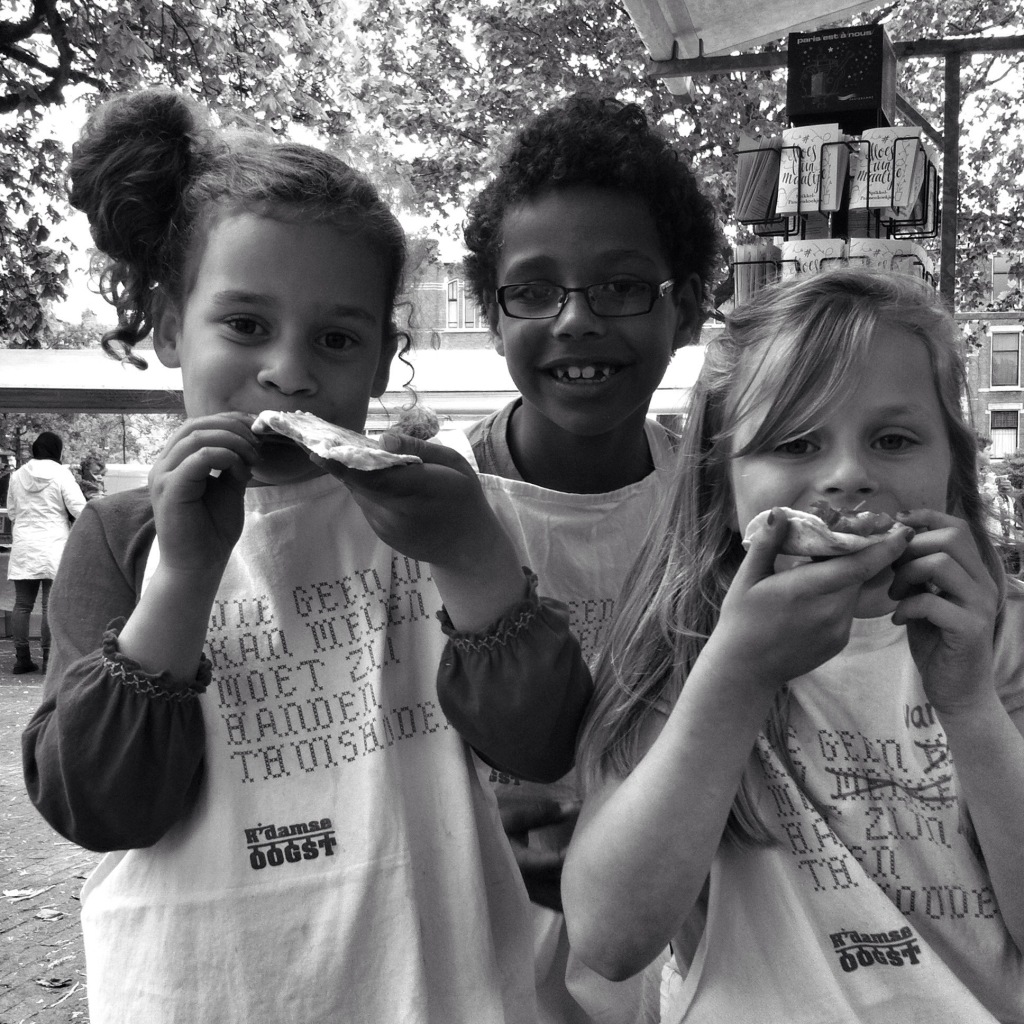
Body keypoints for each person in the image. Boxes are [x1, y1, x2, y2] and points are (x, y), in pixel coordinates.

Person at [21, 87, 592, 1024]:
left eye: (336, 338)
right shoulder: (119, 535)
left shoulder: (438, 508)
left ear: (380, 361)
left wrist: (472, 557)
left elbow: (542, 741)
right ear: (171, 327)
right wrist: (185, 572)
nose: (290, 371)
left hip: (441, 983)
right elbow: (100, 808)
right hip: (203, 987)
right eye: (245, 325)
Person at [562, 268, 1024, 1023]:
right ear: (721, 480)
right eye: (797, 440)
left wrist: (969, 703)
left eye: (894, 439)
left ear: (952, 465)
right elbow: (610, 939)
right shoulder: (683, 641)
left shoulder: (1002, 637)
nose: (847, 476)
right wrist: (735, 678)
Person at [458, 94, 722, 1023]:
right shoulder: (433, 512)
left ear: (686, 306)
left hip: (686, 950)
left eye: (620, 286)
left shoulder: (720, 506)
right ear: (492, 313)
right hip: (484, 957)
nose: (575, 320)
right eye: (533, 290)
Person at [6, 432, 86, 673]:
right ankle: (49, 661)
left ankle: (22, 659)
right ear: (56, 450)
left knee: (22, 605)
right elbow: (79, 508)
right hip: (54, 545)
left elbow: (12, 512)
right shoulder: (61, 474)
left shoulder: (17, 475)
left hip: (24, 546)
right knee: (49, 606)